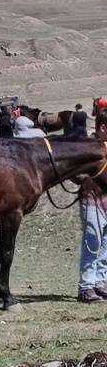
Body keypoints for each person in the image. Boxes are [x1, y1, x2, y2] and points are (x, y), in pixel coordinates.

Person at [78, 125, 107, 302]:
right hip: (92, 199)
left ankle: (100, 281)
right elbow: (74, 173)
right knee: (92, 243)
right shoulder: (90, 147)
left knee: (106, 245)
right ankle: (86, 286)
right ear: (103, 126)